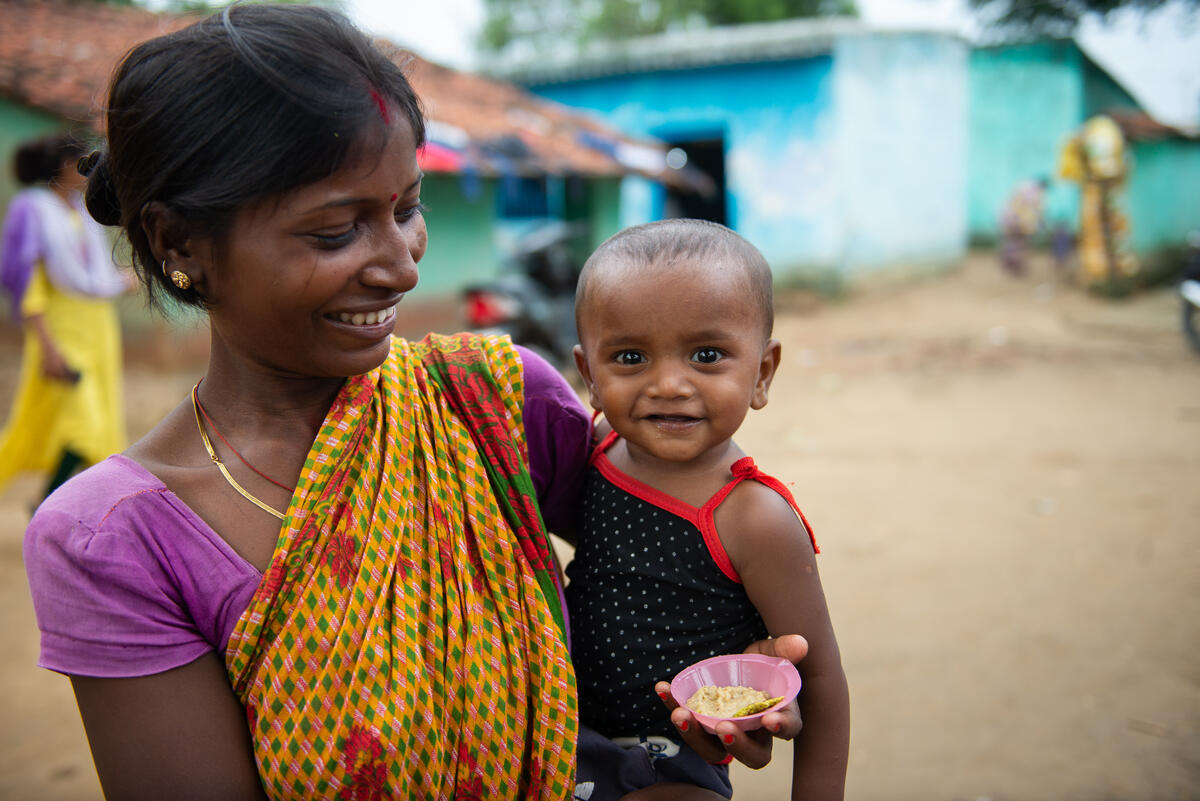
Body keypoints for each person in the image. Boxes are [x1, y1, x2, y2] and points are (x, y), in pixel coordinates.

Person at [21, 7, 803, 800]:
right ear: (177, 242)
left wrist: (719, 674)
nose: (400, 266)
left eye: (406, 208)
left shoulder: (491, 404)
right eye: (335, 232)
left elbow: (670, 564)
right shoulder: (115, 540)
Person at [567, 219, 850, 801]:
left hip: (675, 760)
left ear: (762, 374)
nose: (669, 384)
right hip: (558, 738)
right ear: (590, 375)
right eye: (629, 356)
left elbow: (820, 679)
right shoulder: (589, 454)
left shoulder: (753, 516)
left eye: (706, 354)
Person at [0, 132, 129, 502]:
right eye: (80, 164)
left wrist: (118, 282)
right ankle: (47, 503)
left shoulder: (81, 210)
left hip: (97, 328)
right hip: (61, 333)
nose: (86, 172)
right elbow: (30, 284)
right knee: (83, 427)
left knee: (99, 430)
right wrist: (46, 345)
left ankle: (60, 507)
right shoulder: (34, 209)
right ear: (63, 166)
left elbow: (95, 273)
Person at [998, 177, 1048, 277]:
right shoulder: (1036, 194)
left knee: (1014, 242)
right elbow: (1037, 211)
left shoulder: (1023, 188)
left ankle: (1012, 262)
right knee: (1020, 244)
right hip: (1020, 222)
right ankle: (1016, 263)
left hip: (1012, 220)